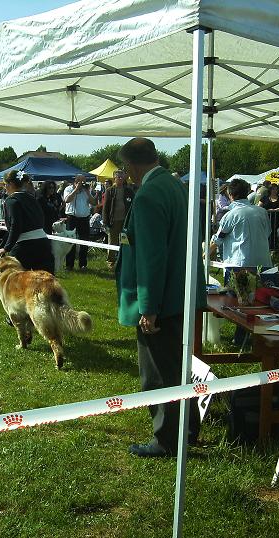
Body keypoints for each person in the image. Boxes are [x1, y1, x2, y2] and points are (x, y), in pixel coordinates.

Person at [116, 137, 205, 458]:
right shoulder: (174, 185)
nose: (125, 173)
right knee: (177, 368)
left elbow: (151, 257)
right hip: (179, 294)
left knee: (157, 375)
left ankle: (167, 440)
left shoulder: (149, 194)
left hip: (161, 301)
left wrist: (148, 308)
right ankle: (188, 430)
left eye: (125, 167)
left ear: (132, 165)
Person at [0, 170, 54, 274]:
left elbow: (16, 225)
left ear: (11, 184)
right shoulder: (32, 198)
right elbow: (41, 219)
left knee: (18, 282)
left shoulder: (11, 200)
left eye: (5, 184)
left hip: (25, 247)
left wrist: (6, 248)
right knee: (46, 282)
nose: (5, 187)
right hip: (43, 243)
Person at [101, 170, 133, 272]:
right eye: (118, 176)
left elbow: (133, 204)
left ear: (124, 178)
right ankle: (111, 262)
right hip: (113, 221)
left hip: (125, 221)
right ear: (114, 178)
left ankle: (124, 261)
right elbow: (105, 207)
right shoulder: (110, 190)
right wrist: (105, 221)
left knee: (124, 241)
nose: (119, 178)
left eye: (121, 176)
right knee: (112, 242)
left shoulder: (128, 190)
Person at [63, 175, 96, 270]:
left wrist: (87, 192)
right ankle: (69, 265)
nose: (83, 183)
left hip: (84, 218)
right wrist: (76, 189)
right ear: (76, 181)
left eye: (84, 181)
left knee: (84, 241)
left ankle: (83, 264)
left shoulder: (86, 191)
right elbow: (67, 200)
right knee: (70, 242)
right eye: (81, 181)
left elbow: (94, 203)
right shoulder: (68, 189)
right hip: (72, 218)